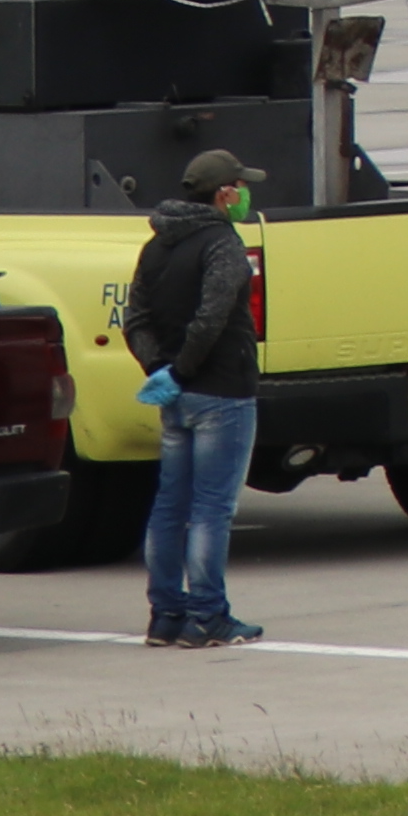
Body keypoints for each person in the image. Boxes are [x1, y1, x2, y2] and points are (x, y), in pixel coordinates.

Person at [125, 146, 266, 649]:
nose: (246, 194)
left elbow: (135, 317)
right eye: (241, 186)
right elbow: (213, 316)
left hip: (174, 395)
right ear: (224, 193)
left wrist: (159, 370)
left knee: (169, 505)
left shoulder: (157, 245)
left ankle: (166, 614)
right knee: (211, 509)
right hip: (220, 391)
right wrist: (184, 370)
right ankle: (209, 615)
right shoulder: (221, 243)